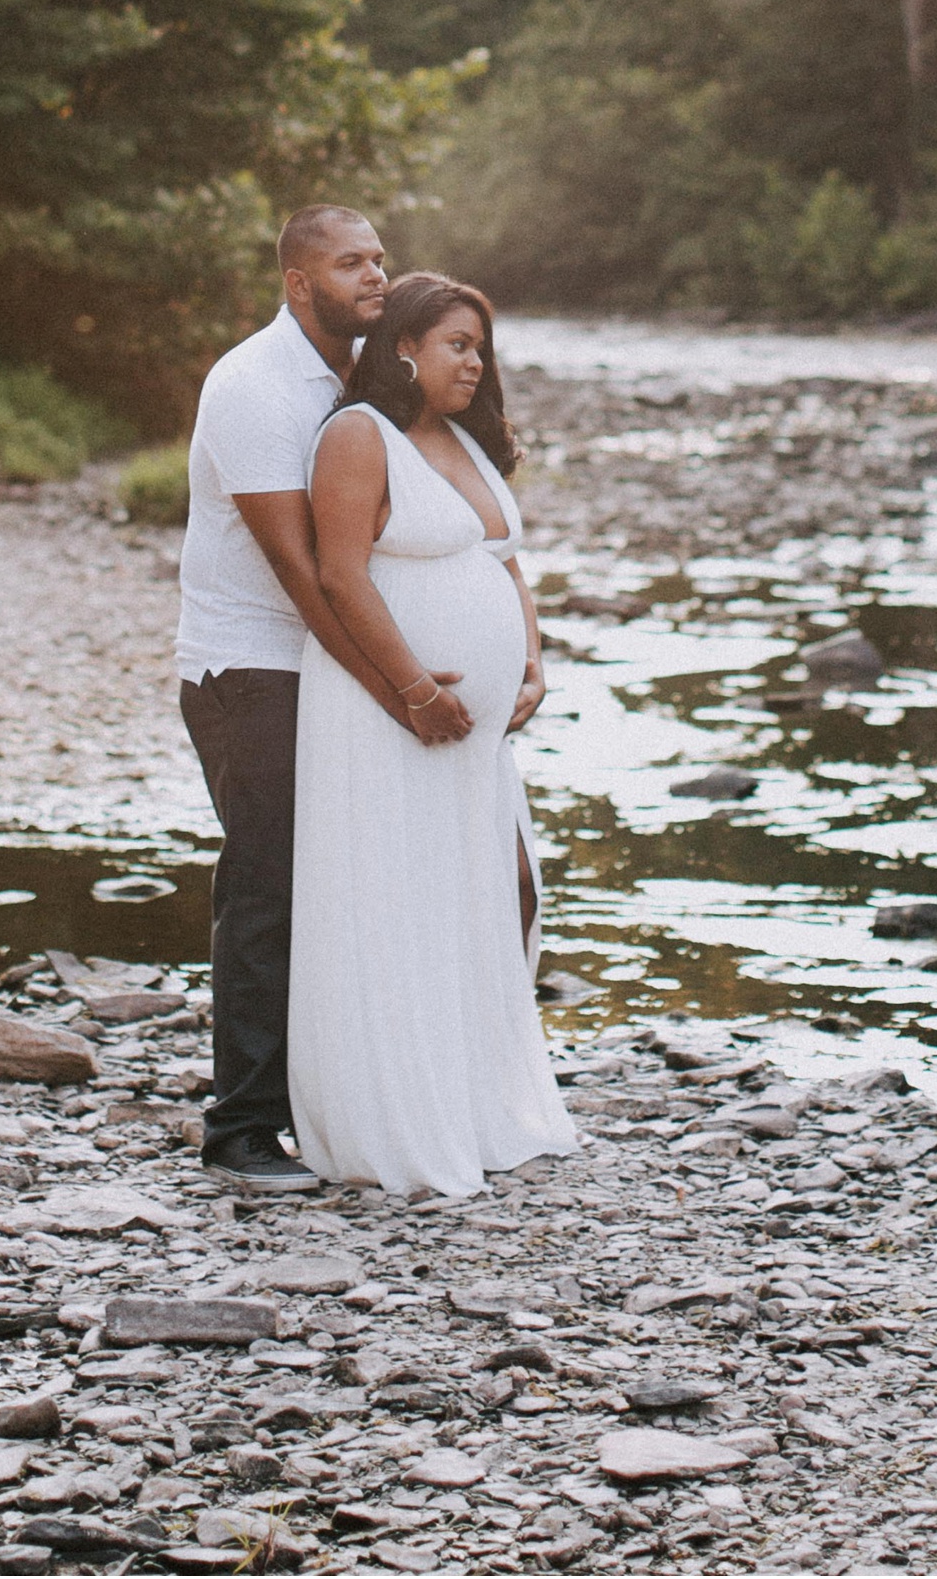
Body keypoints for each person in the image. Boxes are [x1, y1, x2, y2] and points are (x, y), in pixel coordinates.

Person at [287, 272, 579, 1198]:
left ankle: (470, 1098)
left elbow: (506, 564)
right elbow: (340, 576)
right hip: (390, 716)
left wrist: (530, 664)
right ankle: (394, 1119)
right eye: (459, 344)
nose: (475, 362)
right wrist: (415, 686)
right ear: (406, 346)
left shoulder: (459, 439)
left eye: (481, 347)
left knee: (486, 891)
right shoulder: (355, 436)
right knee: (395, 897)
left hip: (476, 734)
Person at [176, 205, 411, 1189]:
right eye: (350, 263)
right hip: (250, 669)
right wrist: (398, 686)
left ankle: (323, 1106)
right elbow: (301, 572)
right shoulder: (255, 384)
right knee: (266, 887)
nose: (375, 277)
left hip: (320, 669)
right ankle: (237, 1130)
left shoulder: (358, 383)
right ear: (296, 284)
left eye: (380, 260)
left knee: (336, 886)